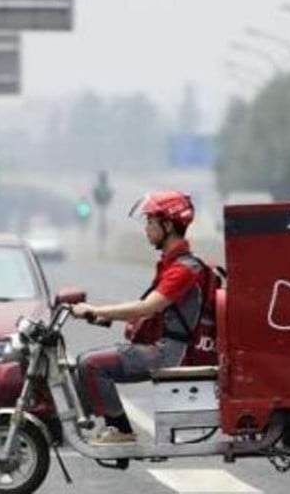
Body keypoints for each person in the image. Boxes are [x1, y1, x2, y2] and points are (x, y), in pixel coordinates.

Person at [70, 191, 203, 445]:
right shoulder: (172, 264)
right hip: (162, 345)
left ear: (168, 226)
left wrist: (96, 310)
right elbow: (151, 314)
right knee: (80, 366)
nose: (146, 229)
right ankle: (90, 422)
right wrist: (100, 317)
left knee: (91, 364)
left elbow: (146, 308)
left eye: (150, 222)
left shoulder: (184, 269)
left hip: (168, 352)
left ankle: (120, 430)